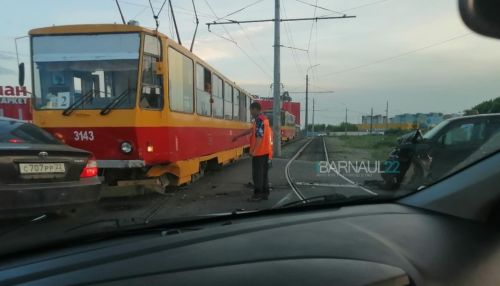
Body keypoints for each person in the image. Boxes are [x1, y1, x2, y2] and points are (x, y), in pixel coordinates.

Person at [233, 102, 273, 201]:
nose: (250, 112)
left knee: (257, 174)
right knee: (264, 174)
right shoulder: (264, 119)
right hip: (266, 151)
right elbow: (253, 130)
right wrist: (238, 136)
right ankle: (265, 193)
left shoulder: (259, 120)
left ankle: (257, 194)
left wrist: (253, 150)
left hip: (259, 152)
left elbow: (259, 136)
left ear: (255, 109)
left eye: (251, 110)